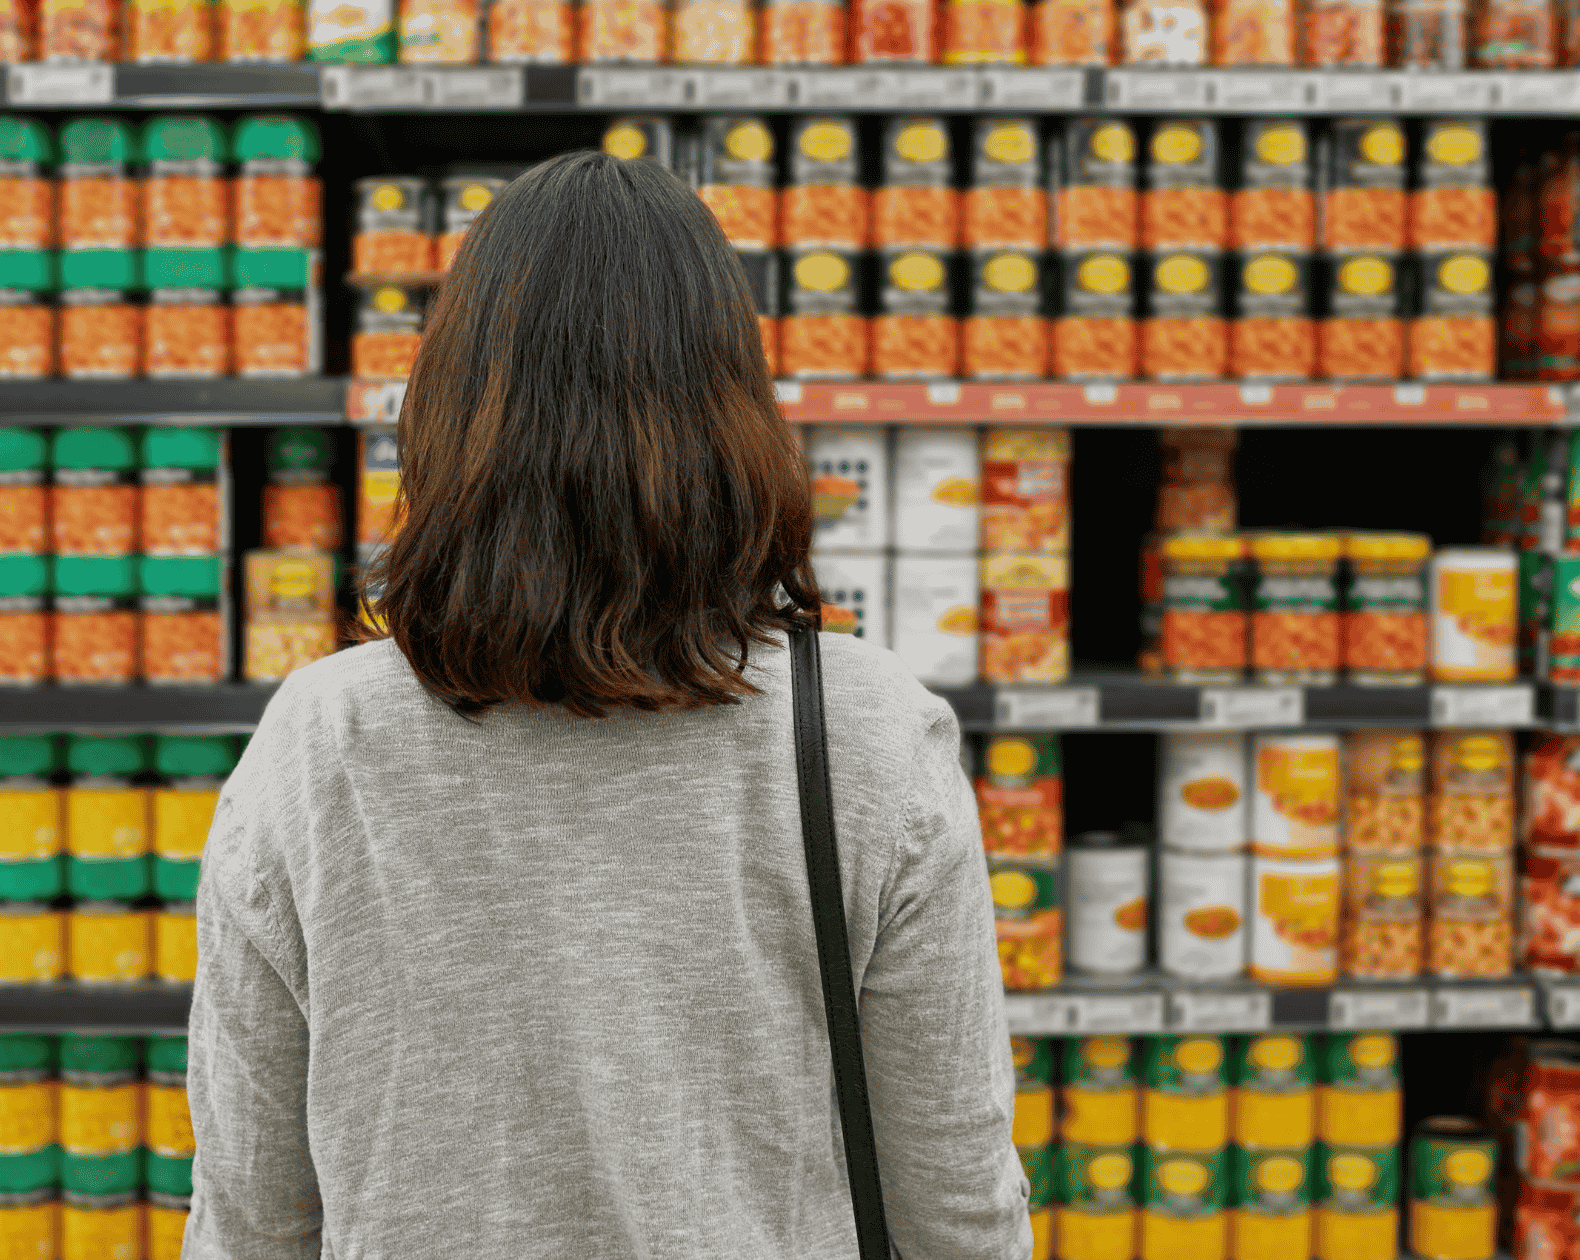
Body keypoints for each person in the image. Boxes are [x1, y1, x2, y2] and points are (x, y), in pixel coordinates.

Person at [184, 149, 1029, 1260]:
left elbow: (249, 1216)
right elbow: (955, 1205)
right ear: (735, 409)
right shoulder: (867, 734)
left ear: (447, 408)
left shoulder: (320, 740)